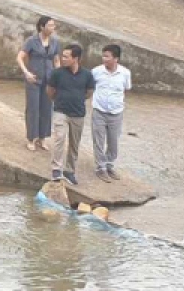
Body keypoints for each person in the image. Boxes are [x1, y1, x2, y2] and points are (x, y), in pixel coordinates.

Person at [48, 44, 94, 186]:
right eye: (63, 56)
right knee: (59, 139)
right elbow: (50, 91)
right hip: (60, 111)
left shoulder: (87, 75)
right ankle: (56, 169)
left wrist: (76, 99)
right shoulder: (57, 73)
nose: (63, 59)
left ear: (76, 58)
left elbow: (89, 92)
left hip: (78, 114)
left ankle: (69, 171)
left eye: (66, 57)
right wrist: (60, 100)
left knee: (74, 144)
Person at [17, 16, 61, 151]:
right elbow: (20, 57)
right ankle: (31, 138)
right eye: (50, 25)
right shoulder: (32, 41)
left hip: (49, 80)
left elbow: (56, 60)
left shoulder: (54, 42)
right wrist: (26, 72)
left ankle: (42, 138)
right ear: (42, 27)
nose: (53, 28)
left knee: (46, 109)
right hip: (34, 79)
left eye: (53, 26)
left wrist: (58, 75)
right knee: (33, 109)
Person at [91, 44, 132, 183]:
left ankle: (109, 165)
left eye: (107, 56)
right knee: (98, 140)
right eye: (103, 56)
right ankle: (100, 167)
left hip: (116, 113)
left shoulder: (125, 73)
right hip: (99, 111)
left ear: (116, 58)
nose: (104, 59)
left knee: (113, 141)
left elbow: (126, 88)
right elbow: (90, 87)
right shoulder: (96, 72)